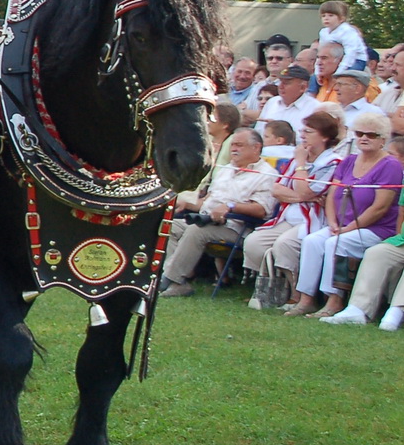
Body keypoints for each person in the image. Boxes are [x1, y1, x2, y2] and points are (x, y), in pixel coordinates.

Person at [285, 111, 402, 317]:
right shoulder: (349, 161)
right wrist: (331, 222)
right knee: (313, 240)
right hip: (340, 225)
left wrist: (349, 228)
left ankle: (334, 301)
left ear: (383, 139)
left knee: (335, 243)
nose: (364, 138)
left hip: (375, 229)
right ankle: (306, 299)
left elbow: (380, 207)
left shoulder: (391, 165)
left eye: (371, 135)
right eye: (359, 133)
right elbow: (332, 194)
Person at [159, 127, 278, 297]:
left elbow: (261, 210)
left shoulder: (266, 174)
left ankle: (171, 280)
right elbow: (208, 201)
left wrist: (231, 207)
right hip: (207, 220)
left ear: (256, 148)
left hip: (237, 228)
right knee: (168, 225)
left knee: (196, 231)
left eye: (239, 145)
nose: (234, 149)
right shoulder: (226, 169)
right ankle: (179, 278)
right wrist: (187, 204)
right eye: (232, 145)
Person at [244, 110, 342, 310]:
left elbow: (303, 189)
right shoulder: (301, 156)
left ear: (324, 136)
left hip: (314, 221)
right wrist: (306, 196)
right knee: (253, 242)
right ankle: (278, 289)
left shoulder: (332, 162)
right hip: (288, 217)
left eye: (309, 131)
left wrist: (300, 165)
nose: (303, 135)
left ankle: (298, 297)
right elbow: (277, 189)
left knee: (284, 244)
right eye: (302, 130)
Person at [257, 64, 318, 140]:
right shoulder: (271, 103)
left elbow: (313, 141)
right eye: (280, 81)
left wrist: (282, 132)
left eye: (286, 83)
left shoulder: (315, 108)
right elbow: (259, 131)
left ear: (303, 87)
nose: (281, 86)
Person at [316, 0, 368, 70]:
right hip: (335, 60)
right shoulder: (323, 32)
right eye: (323, 16)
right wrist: (317, 70)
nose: (326, 18)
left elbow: (351, 52)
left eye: (331, 15)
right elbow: (321, 51)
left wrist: (340, 70)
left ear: (341, 19)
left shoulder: (347, 31)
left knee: (347, 76)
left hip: (356, 59)